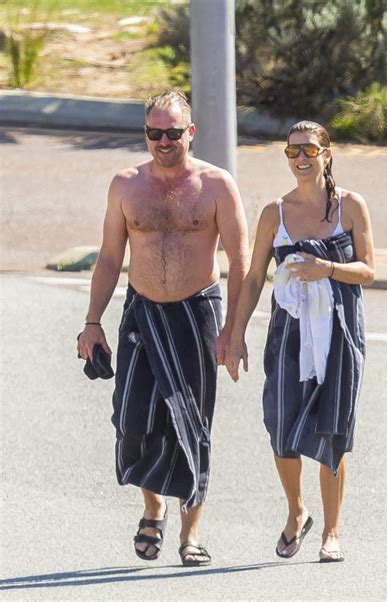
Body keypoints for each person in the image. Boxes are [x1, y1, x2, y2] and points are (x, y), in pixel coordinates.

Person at [77, 90, 249, 566]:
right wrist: (92, 323)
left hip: (196, 312)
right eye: (156, 133)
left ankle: (190, 534)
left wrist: (233, 330)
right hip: (141, 311)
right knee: (132, 420)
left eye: (174, 133)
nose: (164, 141)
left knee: (191, 422)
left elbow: (239, 260)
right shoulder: (126, 185)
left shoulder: (216, 184)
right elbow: (110, 258)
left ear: (190, 133)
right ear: (146, 133)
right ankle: (152, 507)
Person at [225, 121, 374, 562]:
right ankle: (297, 513)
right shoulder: (275, 212)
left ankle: (332, 532)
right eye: (292, 153)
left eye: (309, 150)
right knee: (282, 427)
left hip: (340, 333)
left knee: (332, 428)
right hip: (288, 334)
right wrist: (235, 337)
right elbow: (254, 279)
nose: (300, 159)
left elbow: (368, 270)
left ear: (327, 153)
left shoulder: (351, 207)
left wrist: (327, 269)